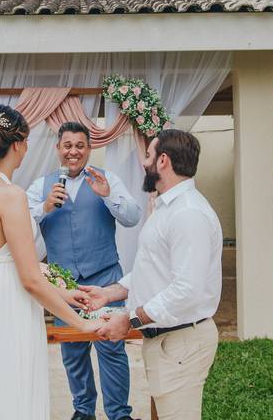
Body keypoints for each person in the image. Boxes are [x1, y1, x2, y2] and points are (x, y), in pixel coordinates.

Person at [0, 105, 104, 420]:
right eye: (26, 141)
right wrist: (81, 322)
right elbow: (28, 278)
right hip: (7, 305)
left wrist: (66, 291)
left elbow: (4, 259)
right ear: (17, 144)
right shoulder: (10, 196)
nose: (27, 148)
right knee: (8, 385)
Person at [81, 129, 221, 420]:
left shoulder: (188, 214)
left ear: (163, 161)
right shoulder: (168, 207)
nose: (144, 162)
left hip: (182, 341)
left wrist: (130, 319)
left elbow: (186, 289)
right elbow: (153, 268)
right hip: (166, 340)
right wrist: (111, 293)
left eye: (148, 155)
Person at [27, 122, 142, 420]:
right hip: (63, 286)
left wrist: (106, 195)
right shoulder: (40, 187)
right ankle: (83, 411)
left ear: (89, 149)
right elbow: (20, 228)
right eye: (68, 146)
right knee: (73, 352)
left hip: (106, 277)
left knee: (112, 348)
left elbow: (132, 217)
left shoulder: (108, 179)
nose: (73, 152)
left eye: (80, 146)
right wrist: (44, 208)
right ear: (58, 149)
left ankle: (119, 414)